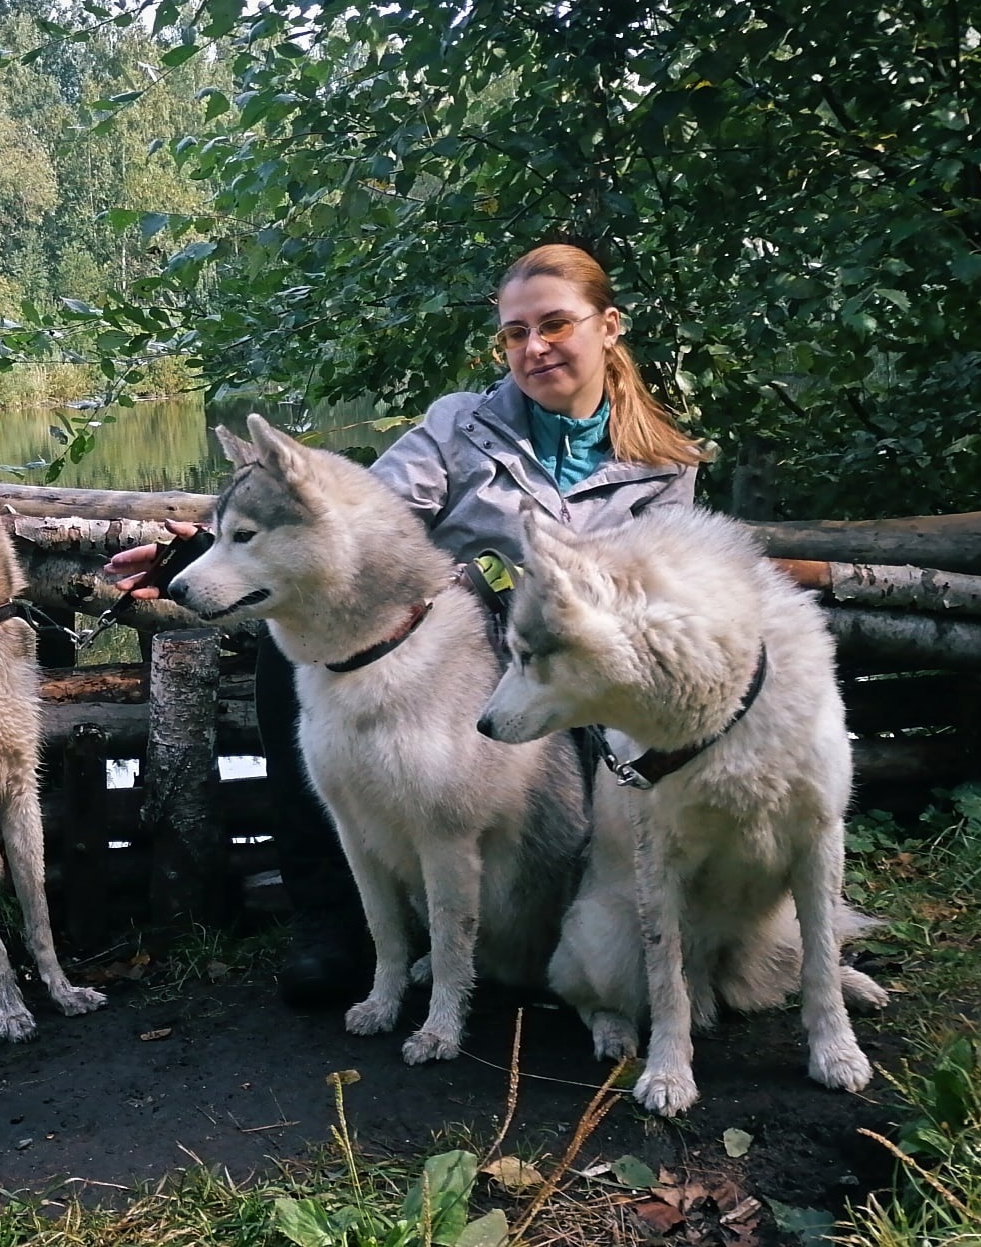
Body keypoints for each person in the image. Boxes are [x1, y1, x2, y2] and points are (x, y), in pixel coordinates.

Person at [106, 242, 703, 1005]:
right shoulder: (463, 425)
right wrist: (198, 550)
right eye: (515, 332)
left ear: (609, 326)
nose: (534, 347)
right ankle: (331, 922)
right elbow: (352, 514)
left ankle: (617, 930)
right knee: (290, 655)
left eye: (555, 324)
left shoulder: (666, 465)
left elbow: (655, 605)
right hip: (449, 653)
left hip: (573, 680)